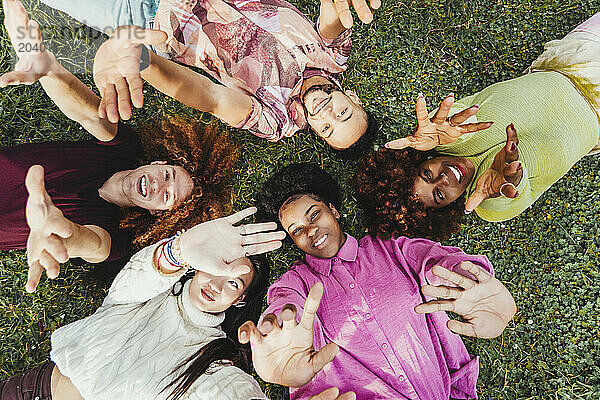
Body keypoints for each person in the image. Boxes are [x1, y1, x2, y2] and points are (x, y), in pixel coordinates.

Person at [0, 0, 237, 291]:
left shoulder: (118, 236)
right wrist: (47, 67)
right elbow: (85, 111)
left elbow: (95, 245)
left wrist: (67, 234)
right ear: (160, 162)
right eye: (167, 176)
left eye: (166, 197)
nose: (157, 186)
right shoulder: (123, 148)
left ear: (158, 214)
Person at [0, 208, 355, 400]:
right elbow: (140, 274)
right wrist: (180, 249)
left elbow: (228, 392)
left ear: (240, 300)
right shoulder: (153, 290)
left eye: (233, 282)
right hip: (33, 388)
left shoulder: (216, 356)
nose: (217, 283)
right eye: (218, 268)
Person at [243, 163, 516, 399]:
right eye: (297, 230)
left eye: (314, 214)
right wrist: (276, 325)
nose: (311, 230)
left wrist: (467, 278)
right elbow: (284, 305)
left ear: (334, 211)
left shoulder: (390, 249)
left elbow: (437, 262)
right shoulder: (296, 282)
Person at [356, 12, 600, 240]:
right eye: (439, 195)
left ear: (418, 160)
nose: (442, 178)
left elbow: (460, 121)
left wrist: (454, 137)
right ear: (447, 209)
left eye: (427, 174)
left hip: (573, 58)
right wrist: (509, 179)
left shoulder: (446, 133)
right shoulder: (490, 205)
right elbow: (509, 195)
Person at [37, 0, 381, 156]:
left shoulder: (276, 121)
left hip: (146, 15)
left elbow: (211, 98)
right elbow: (332, 13)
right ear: (354, 99)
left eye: (326, 129)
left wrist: (146, 62)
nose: (325, 114)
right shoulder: (332, 56)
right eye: (342, 113)